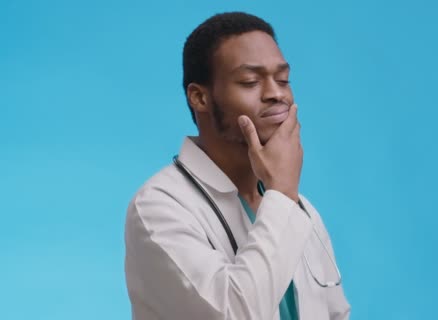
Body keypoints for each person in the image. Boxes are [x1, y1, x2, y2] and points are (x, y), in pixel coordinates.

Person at [124, 12, 351, 320]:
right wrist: (282, 192)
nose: (276, 93)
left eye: (283, 79)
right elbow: (236, 313)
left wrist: (283, 196)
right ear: (200, 97)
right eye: (250, 81)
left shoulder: (301, 210)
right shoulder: (159, 208)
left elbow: (336, 313)